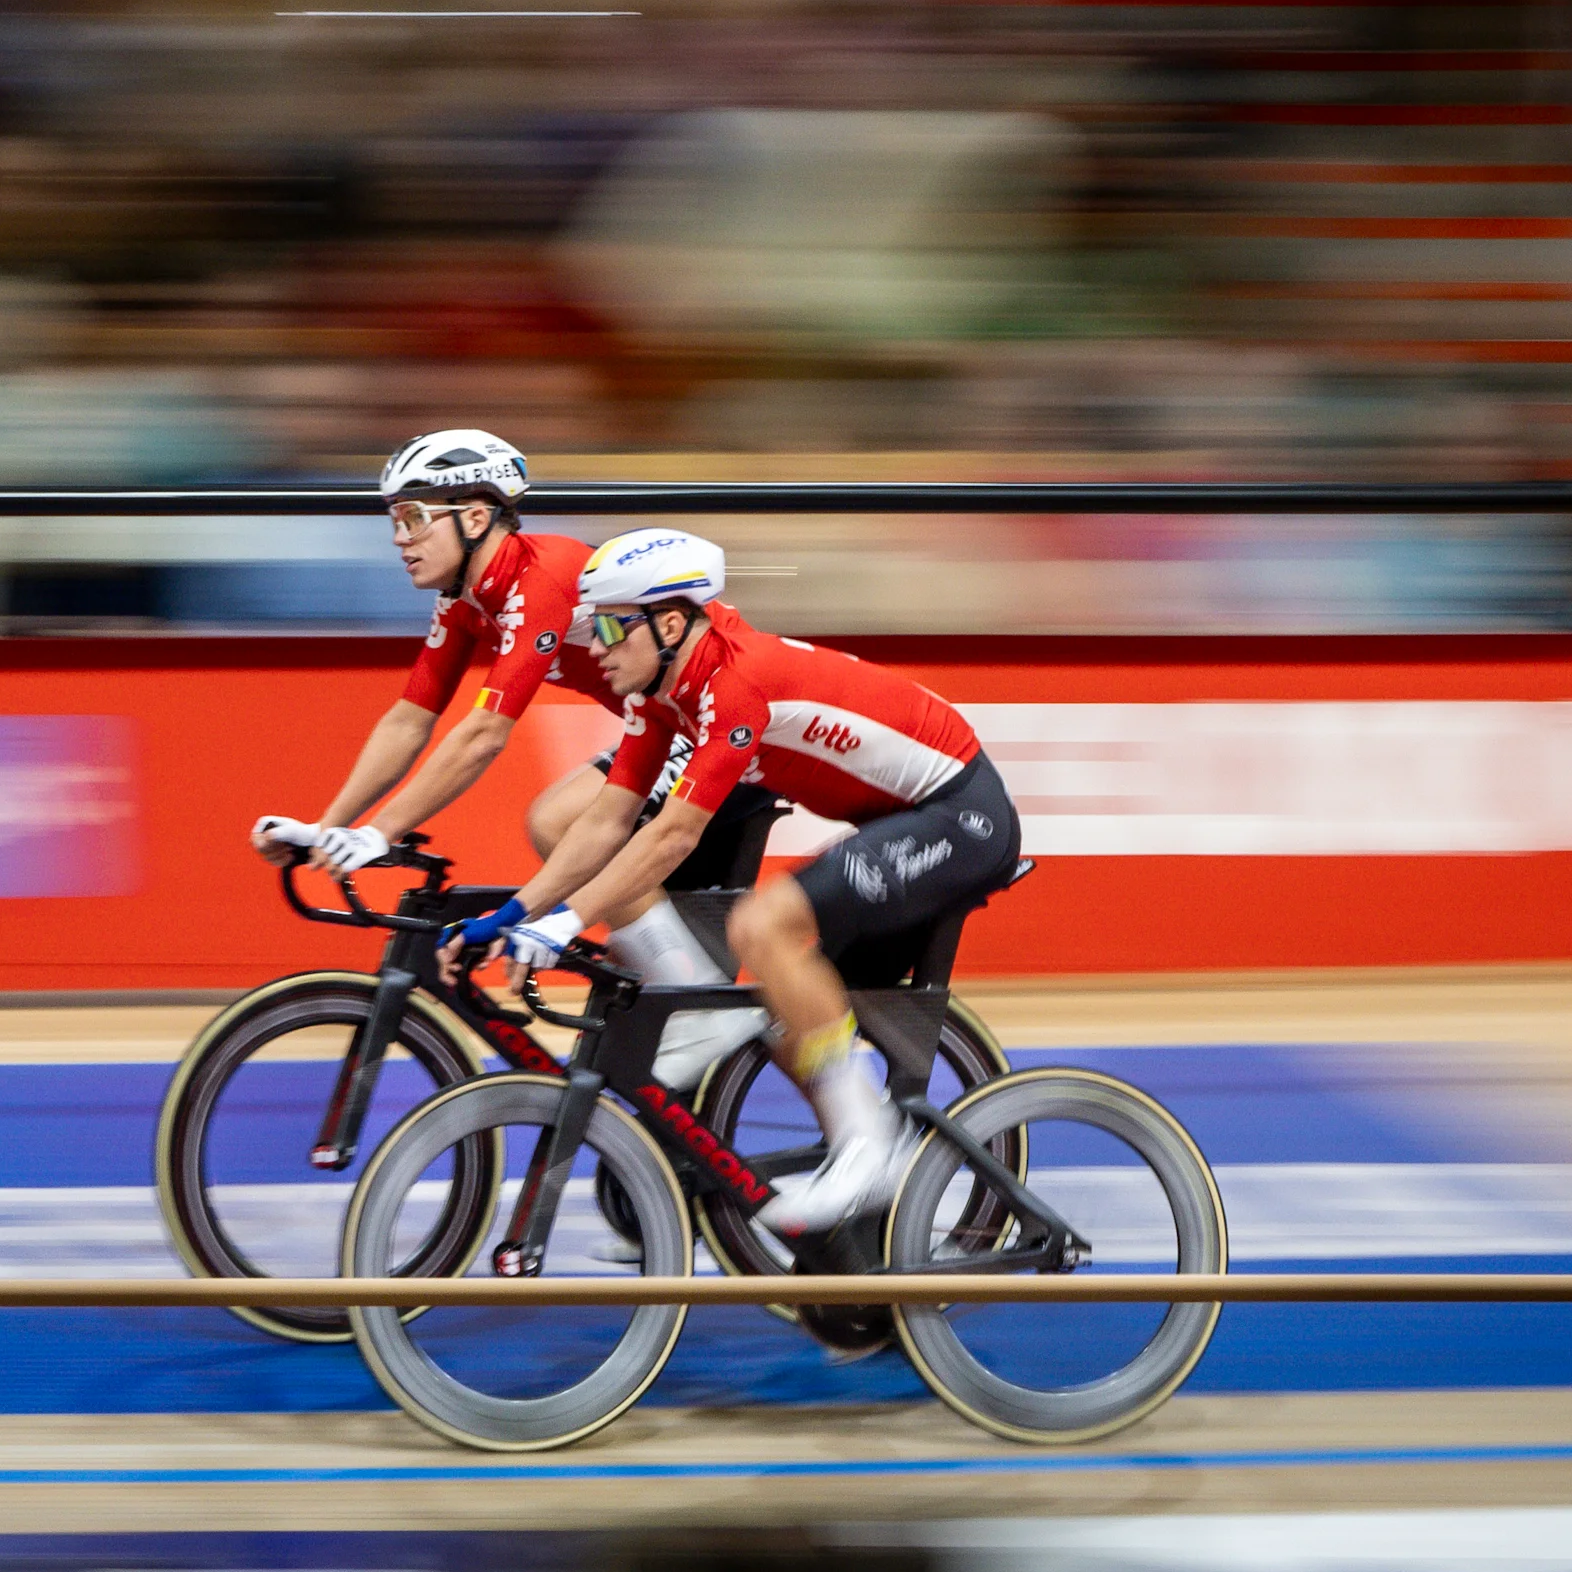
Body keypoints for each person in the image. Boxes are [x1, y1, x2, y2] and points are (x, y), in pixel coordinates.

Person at [446, 527, 1021, 1237]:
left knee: (762, 925)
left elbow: (673, 835)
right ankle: (853, 1139)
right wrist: (515, 914)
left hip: (960, 813)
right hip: (899, 816)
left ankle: (870, 1148)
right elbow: (603, 824)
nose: (591, 647)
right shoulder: (664, 692)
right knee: (777, 991)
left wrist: (566, 922)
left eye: (606, 626)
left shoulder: (734, 684)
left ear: (669, 623)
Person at [250, 431, 777, 891]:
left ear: (476, 518)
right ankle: (668, 982)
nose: (398, 538)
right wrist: (331, 827)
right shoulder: (466, 600)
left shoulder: (539, 579)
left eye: (413, 518)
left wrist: (378, 833)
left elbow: (483, 735)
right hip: (676, 729)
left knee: (557, 823)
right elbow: (409, 720)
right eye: (395, 519)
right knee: (569, 837)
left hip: (733, 727)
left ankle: (677, 982)